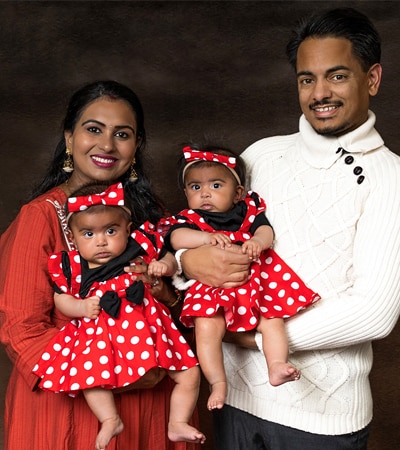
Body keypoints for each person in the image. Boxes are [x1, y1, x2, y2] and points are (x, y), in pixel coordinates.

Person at [177, 8, 400, 449]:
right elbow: (208, 229)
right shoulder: (261, 155)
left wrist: (253, 336)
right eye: (306, 79)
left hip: (322, 419)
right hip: (234, 400)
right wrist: (187, 260)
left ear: (371, 79)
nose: (320, 93)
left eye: (336, 76)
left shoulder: (390, 177)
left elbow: (374, 310)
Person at [0, 80, 201, 450]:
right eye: (93, 129)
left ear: (136, 147)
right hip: (74, 406)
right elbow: (22, 331)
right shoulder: (40, 218)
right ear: (69, 138)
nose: (107, 145)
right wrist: (110, 372)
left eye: (122, 134)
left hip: (155, 398)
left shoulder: (154, 216)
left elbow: (197, 307)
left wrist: (166, 295)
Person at [32, 182, 205, 449]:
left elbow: (170, 257)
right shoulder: (73, 266)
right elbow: (61, 297)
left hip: (150, 330)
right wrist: (80, 308)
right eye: (88, 234)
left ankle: (177, 422)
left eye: (110, 231)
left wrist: (164, 265)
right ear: (73, 236)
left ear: (127, 228)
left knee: (190, 372)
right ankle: (110, 418)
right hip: (103, 336)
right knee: (88, 376)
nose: (101, 241)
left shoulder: (139, 246)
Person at [164, 145, 319, 410]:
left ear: (237, 193)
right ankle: (218, 382)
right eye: (195, 187)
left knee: (272, 321)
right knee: (206, 329)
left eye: (215, 185)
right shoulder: (189, 219)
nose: (205, 193)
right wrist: (203, 238)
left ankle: (276, 365)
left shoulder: (248, 211)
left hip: (255, 284)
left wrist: (259, 241)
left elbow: (266, 231)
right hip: (212, 289)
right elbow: (175, 238)